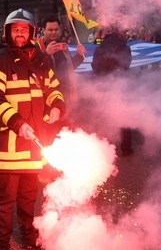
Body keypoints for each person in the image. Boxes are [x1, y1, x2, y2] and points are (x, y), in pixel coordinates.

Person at [0, 9, 65, 250]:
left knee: (29, 198)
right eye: (15, 29)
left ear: (31, 32)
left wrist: (57, 105)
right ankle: (1, 245)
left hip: (35, 147)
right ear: (8, 32)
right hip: (10, 148)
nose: (19, 33)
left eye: (23, 29)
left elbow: (54, 88)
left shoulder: (41, 59)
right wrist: (18, 123)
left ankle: (30, 238)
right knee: (5, 201)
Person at [90, 27, 135, 156]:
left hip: (105, 87)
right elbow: (127, 64)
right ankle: (126, 148)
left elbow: (95, 68)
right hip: (122, 86)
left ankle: (106, 148)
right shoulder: (125, 48)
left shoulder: (99, 49)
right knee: (125, 117)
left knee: (105, 117)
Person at [39, 15, 85, 120]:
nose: (53, 32)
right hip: (48, 97)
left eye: (56, 29)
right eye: (50, 30)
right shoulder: (37, 46)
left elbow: (69, 67)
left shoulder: (62, 46)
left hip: (66, 94)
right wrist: (46, 54)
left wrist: (79, 55)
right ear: (43, 30)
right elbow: (35, 68)